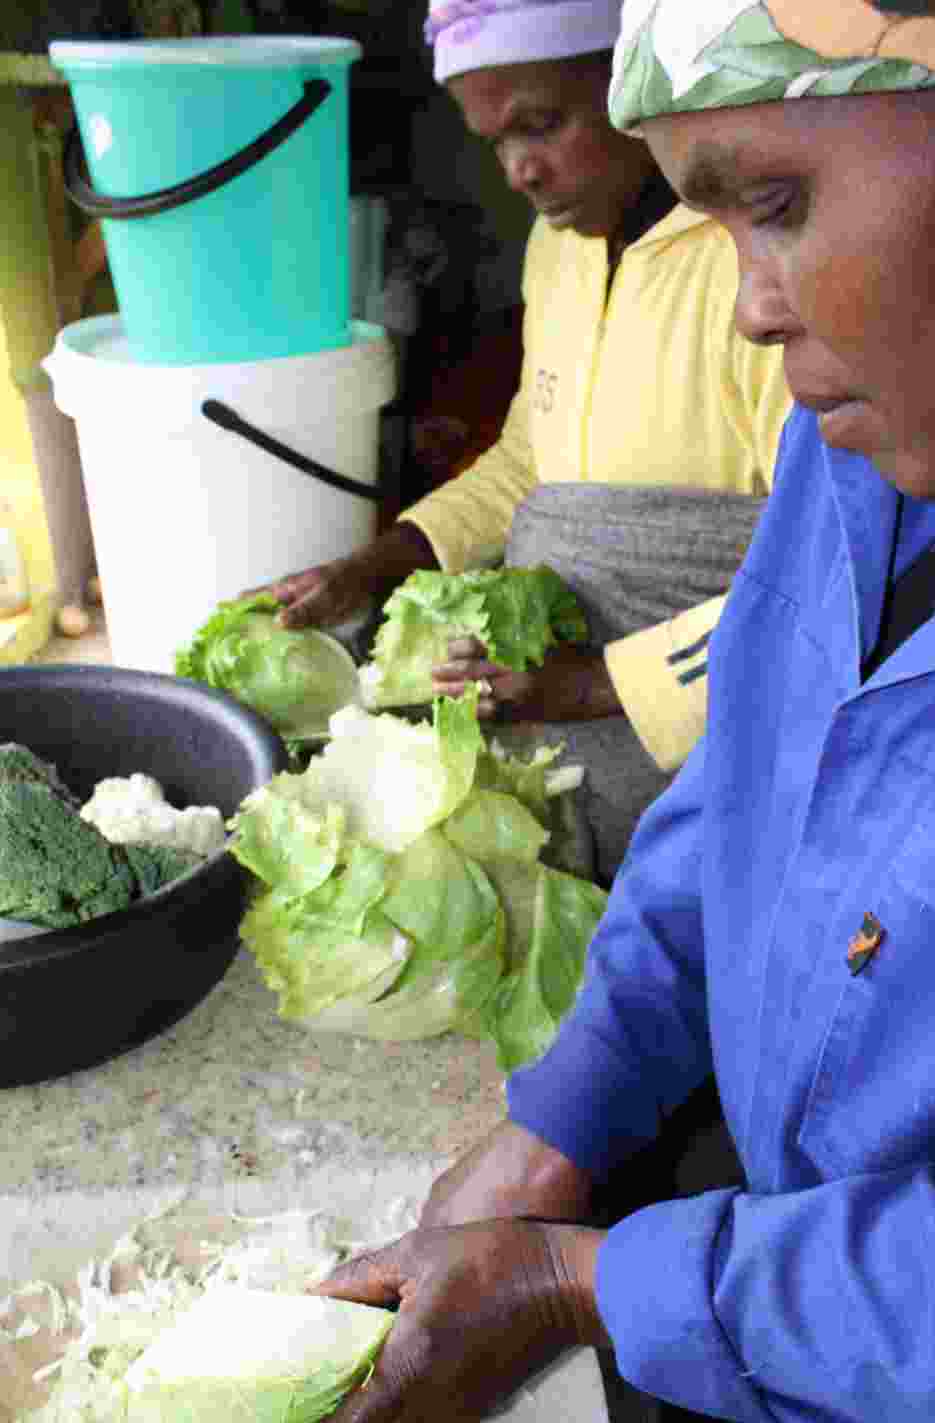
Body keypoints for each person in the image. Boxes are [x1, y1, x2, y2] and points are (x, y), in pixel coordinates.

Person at [256, 2, 935, 1423]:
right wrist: (561, 1125)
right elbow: (737, 805)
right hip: (801, 1389)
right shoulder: (860, 452)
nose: (748, 309)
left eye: (781, 202)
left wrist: (584, 1279)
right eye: (712, 217)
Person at [263, 0, 791, 881]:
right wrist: (382, 562)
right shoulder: (560, 253)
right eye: (495, 144)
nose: (521, 170)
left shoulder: (752, 270)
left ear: (635, 79)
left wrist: (596, 685)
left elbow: (821, 579)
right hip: (577, 733)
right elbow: (530, 460)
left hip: (720, 745)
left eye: (541, 125)